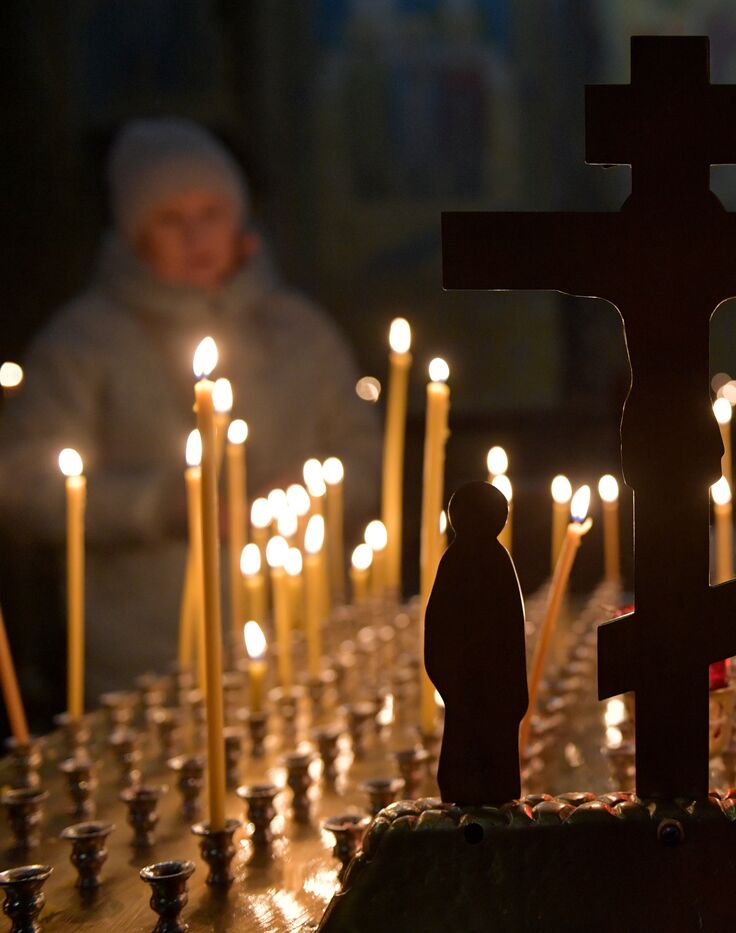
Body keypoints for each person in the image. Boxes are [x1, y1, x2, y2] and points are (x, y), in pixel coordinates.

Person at [0, 118, 379, 698]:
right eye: (171, 220)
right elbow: (23, 483)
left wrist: (312, 495)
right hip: (147, 665)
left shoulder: (300, 331)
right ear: (134, 234)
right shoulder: (83, 343)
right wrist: (166, 504)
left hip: (301, 642)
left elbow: (364, 454)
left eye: (211, 214)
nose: (196, 236)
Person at [424, 482, 527, 804]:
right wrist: (451, 684)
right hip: (467, 689)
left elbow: (511, 629)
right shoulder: (456, 563)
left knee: (494, 765)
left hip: (493, 688)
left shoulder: (496, 562)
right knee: (464, 756)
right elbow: (438, 628)